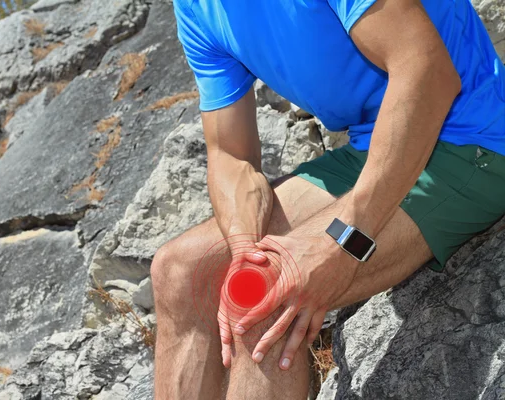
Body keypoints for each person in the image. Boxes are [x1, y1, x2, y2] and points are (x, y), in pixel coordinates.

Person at [151, 0, 505, 398]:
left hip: (471, 140)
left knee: (271, 297)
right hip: (372, 146)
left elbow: (427, 71)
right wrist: (242, 244)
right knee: (180, 271)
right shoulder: (198, 7)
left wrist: (342, 242)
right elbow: (229, 155)